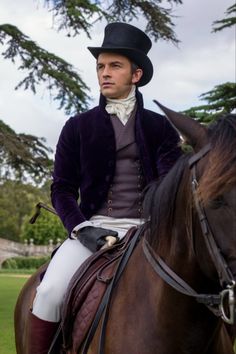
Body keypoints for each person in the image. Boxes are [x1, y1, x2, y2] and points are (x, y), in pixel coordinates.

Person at [28, 22, 182, 353]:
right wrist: (82, 228)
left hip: (149, 232)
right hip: (91, 231)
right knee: (49, 293)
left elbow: (171, 186)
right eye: (100, 66)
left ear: (136, 74)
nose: (104, 73)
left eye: (115, 66)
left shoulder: (162, 129)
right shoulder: (77, 127)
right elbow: (63, 189)